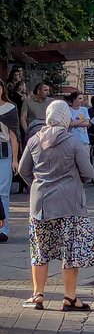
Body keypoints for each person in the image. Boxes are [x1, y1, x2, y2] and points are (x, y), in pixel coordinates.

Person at [17, 101, 94, 311]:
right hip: (70, 203)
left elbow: (23, 171)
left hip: (41, 204)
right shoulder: (73, 142)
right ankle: (69, 298)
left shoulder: (34, 140)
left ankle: (38, 295)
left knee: (39, 251)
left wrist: (38, 184)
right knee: (70, 252)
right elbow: (88, 173)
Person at [0, 84, 20, 243]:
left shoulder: (9, 108)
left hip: (3, 152)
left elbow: (13, 135)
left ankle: (3, 229)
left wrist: (15, 159)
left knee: (3, 192)